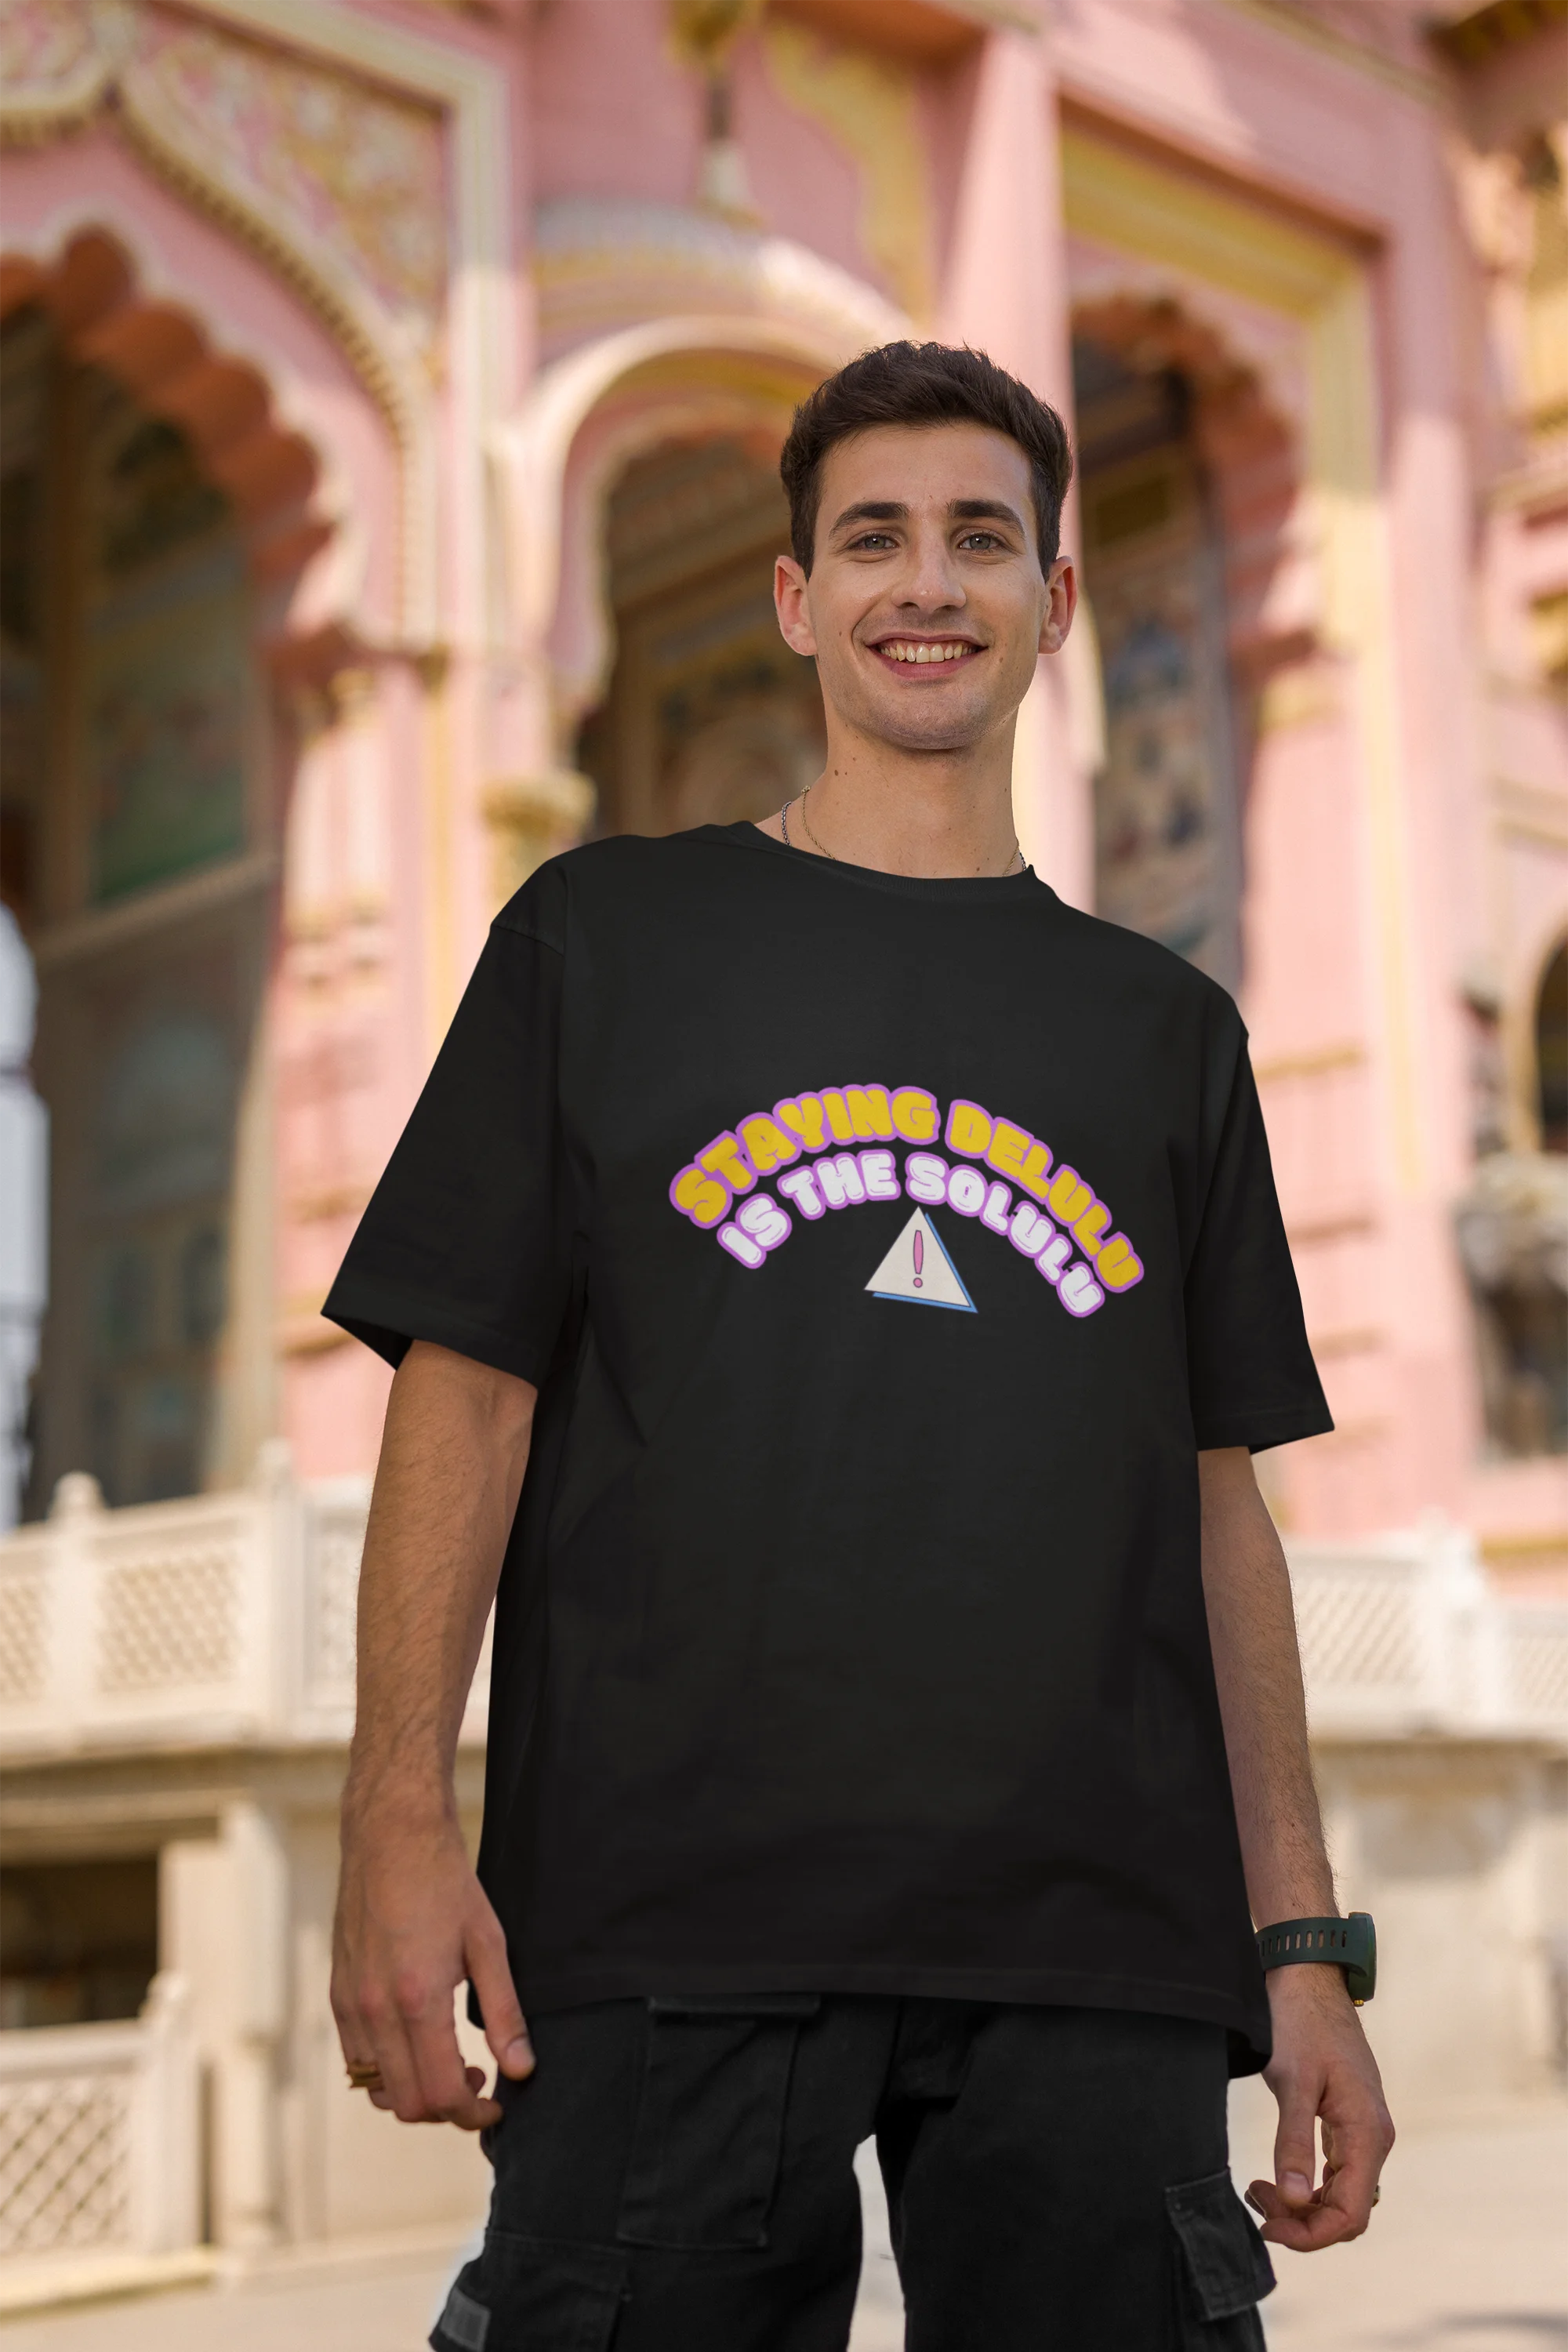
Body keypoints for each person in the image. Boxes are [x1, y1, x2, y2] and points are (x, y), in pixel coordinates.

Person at [325, 340, 1393, 2352]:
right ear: (799, 597)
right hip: (663, 1927)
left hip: (1094, 1948)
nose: (931, 583)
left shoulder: (1162, 1033)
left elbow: (1215, 1511)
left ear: (1053, 602)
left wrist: (1302, 1944)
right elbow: (462, 1386)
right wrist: (393, 1817)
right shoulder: (602, 940)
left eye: (983, 539)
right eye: (874, 539)